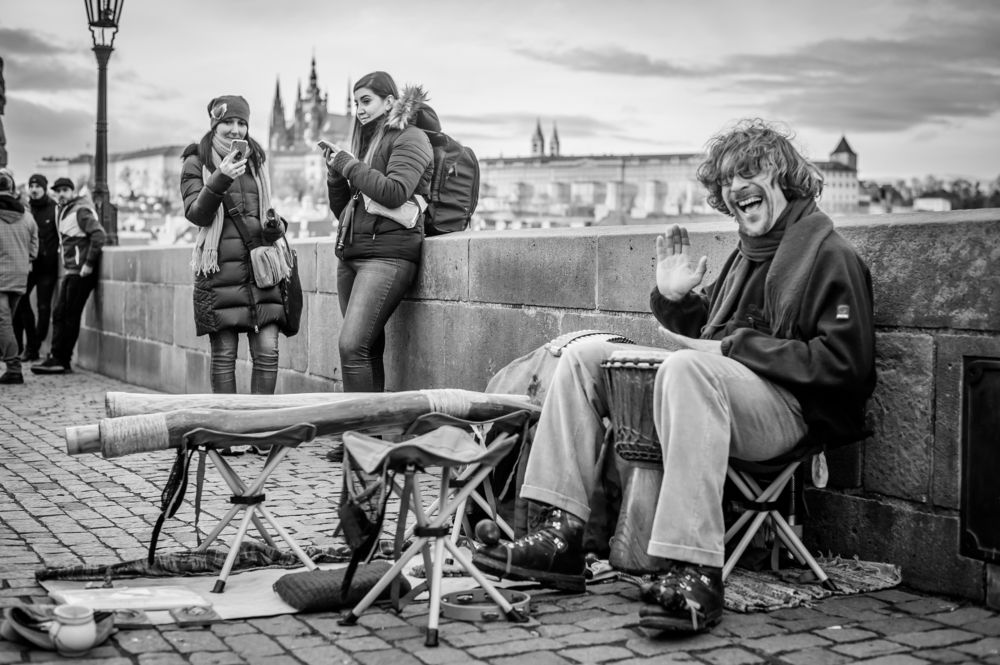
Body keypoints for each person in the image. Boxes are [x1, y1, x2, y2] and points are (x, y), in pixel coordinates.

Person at [472, 119, 877, 634]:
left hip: (790, 412)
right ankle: (560, 534)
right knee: (585, 353)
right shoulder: (747, 254)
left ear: (786, 180)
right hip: (722, 390)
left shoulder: (830, 255)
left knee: (686, 368)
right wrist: (677, 300)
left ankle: (694, 569)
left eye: (750, 174)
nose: (735, 189)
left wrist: (735, 346)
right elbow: (711, 335)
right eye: (728, 181)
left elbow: (846, 366)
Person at [179, 95, 292, 454]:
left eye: (242, 123)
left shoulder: (257, 159)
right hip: (221, 268)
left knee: (268, 351)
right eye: (229, 123)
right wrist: (220, 179)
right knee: (225, 354)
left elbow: (264, 212)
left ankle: (259, 431)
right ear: (215, 124)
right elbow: (196, 214)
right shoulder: (195, 160)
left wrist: (275, 226)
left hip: (261, 266)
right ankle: (227, 432)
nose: (236, 129)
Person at [324, 71, 434, 395]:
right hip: (354, 255)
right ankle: (366, 439)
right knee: (365, 349)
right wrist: (335, 177)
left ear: (390, 101)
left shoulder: (411, 137)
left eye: (366, 101)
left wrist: (349, 165)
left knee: (351, 345)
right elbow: (345, 212)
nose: (359, 109)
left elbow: (395, 192)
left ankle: (359, 437)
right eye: (356, 102)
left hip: (387, 257)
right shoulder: (370, 144)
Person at [31, 177, 105, 375]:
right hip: (72, 271)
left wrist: (88, 264)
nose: (61, 194)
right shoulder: (64, 211)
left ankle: (61, 359)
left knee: (68, 316)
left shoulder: (80, 210)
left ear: (72, 192)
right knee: (60, 314)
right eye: (59, 191)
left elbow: (99, 235)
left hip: (80, 273)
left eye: (65, 190)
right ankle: (58, 357)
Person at [13, 174, 60, 361]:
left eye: (37, 186)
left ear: (45, 188)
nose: (34, 189)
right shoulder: (25, 209)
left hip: (47, 266)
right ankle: (27, 346)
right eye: (31, 185)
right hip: (29, 265)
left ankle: (35, 345)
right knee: (20, 302)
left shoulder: (54, 209)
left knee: (43, 307)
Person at [0, 169, 39, 384]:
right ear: (12, 189)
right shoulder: (26, 216)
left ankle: (14, 368)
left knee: (3, 324)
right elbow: (35, 246)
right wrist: (26, 259)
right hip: (20, 276)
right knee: (6, 322)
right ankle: (11, 361)